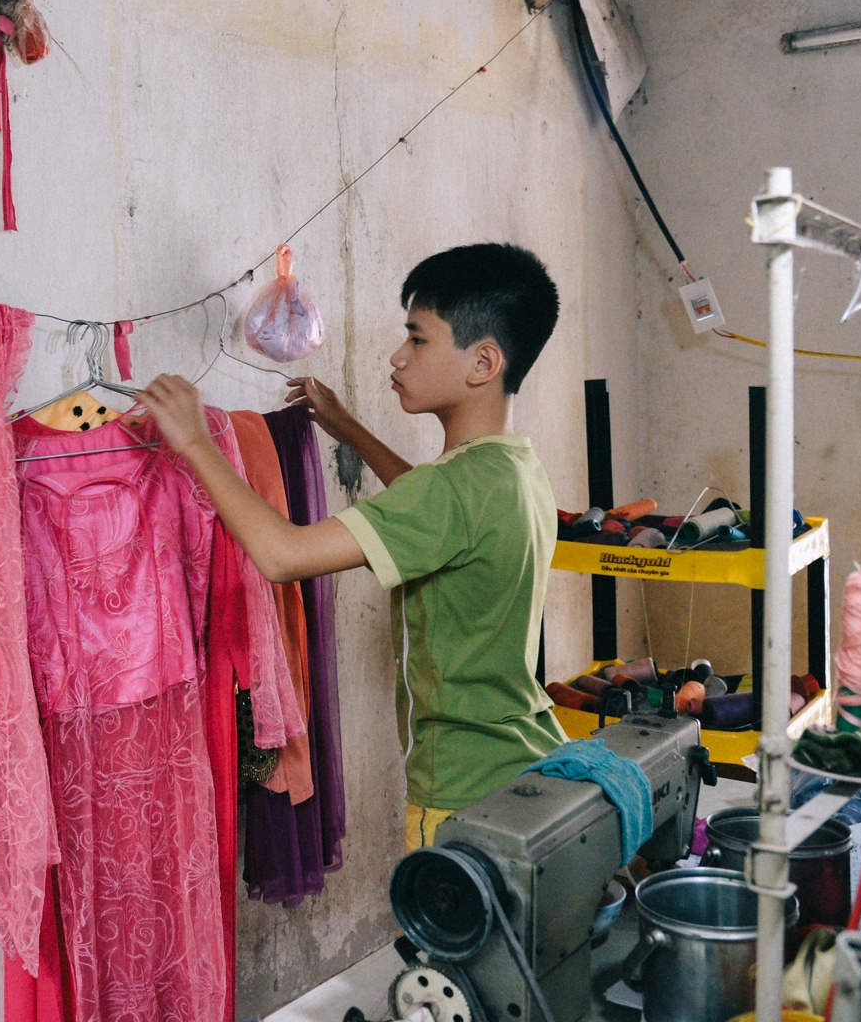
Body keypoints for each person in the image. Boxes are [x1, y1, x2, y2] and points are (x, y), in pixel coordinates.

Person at [136, 241, 567, 853]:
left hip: (464, 791)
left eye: (418, 339)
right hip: (526, 761)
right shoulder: (513, 469)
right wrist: (350, 431)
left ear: (483, 363)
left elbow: (284, 554)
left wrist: (196, 444)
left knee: (459, 944)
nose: (397, 357)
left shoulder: (448, 491)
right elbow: (435, 509)